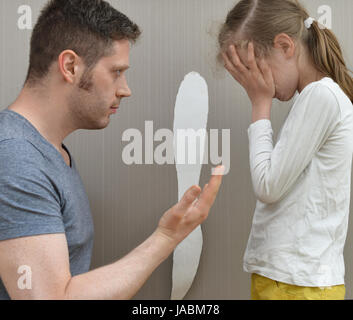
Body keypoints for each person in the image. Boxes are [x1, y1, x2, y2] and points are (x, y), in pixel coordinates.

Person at [0, 0, 224, 300]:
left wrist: (167, 237)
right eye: (116, 72)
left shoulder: (46, 151)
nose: (125, 89)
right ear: (70, 66)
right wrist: (165, 239)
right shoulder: (16, 158)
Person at [219, 0, 353, 300]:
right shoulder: (318, 96)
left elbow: (268, 186)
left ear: (285, 46)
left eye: (253, 68)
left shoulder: (321, 96)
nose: (253, 80)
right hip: (291, 280)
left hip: (297, 284)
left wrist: (259, 103)